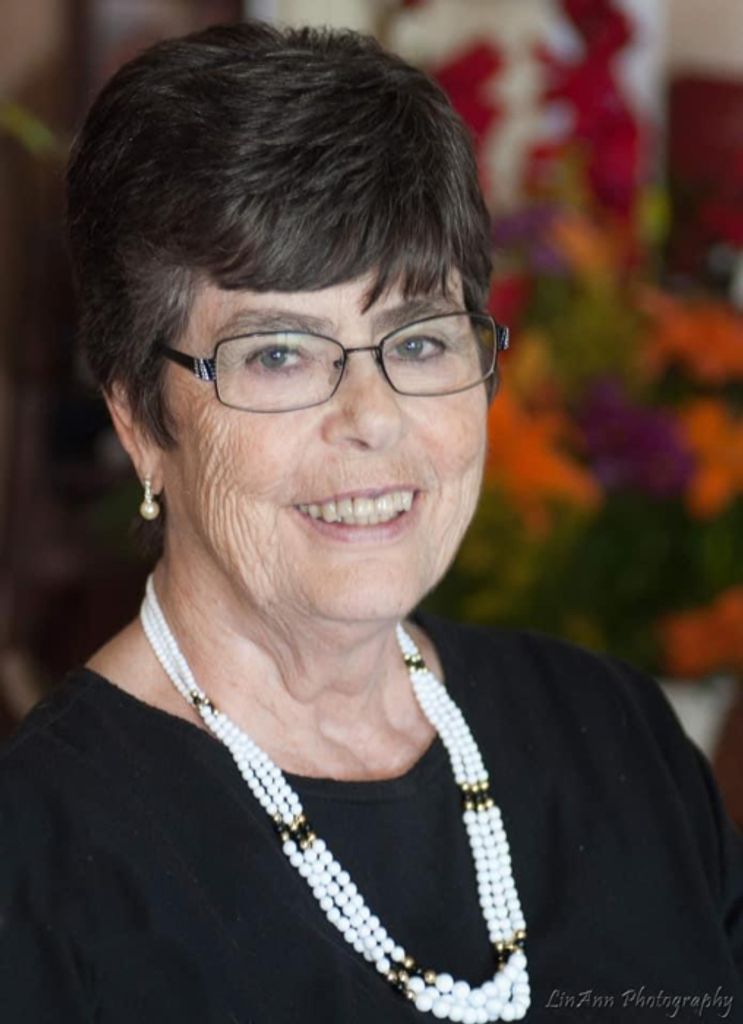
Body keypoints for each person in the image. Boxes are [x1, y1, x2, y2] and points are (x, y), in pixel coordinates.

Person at [1, 20, 741, 1024]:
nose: (371, 417)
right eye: (278, 354)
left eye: (420, 340)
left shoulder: (615, 734)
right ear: (140, 422)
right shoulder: (38, 864)